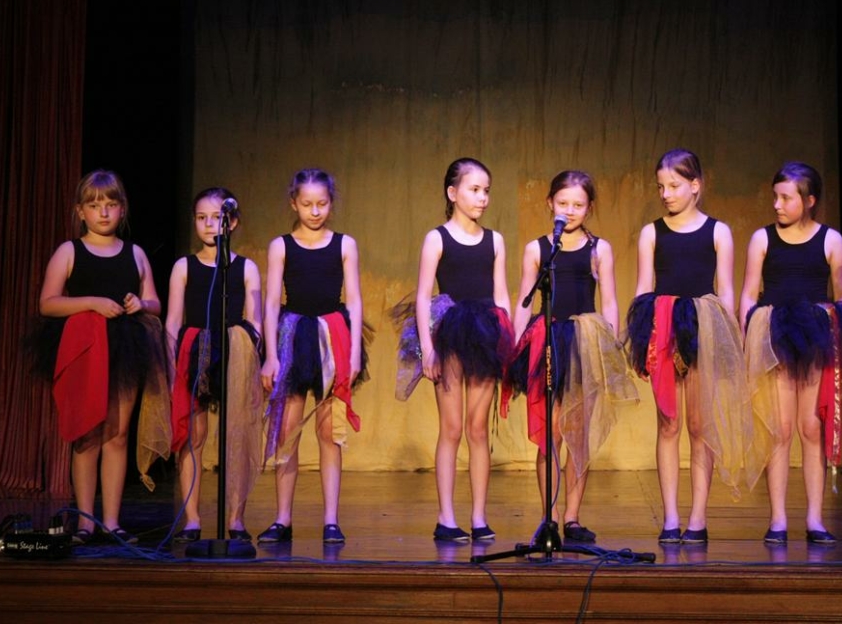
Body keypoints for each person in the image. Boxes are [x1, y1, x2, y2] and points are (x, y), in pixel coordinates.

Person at [739, 162, 842, 546]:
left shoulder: (830, 239)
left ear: (809, 200)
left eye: (786, 198)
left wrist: (841, 329)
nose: (777, 204)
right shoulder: (763, 238)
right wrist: (749, 331)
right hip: (777, 335)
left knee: (811, 427)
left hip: (816, 336)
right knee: (780, 429)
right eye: (775, 197)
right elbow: (749, 293)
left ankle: (815, 518)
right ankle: (778, 518)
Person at [33, 169, 170, 545]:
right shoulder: (69, 251)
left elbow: (155, 303)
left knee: (118, 434)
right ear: (81, 211)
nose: (104, 212)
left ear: (122, 209)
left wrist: (141, 303)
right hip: (84, 348)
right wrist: (92, 302)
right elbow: (48, 303)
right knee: (87, 433)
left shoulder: (135, 253)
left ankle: (111, 520)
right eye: (95, 206)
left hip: (125, 348)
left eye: (111, 204)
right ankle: (85, 522)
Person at [506, 170, 637, 545]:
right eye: (563, 203)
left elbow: (609, 300)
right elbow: (524, 300)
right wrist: (515, 344)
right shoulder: (537, 249)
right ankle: (547, 517)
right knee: (550, 434)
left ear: (589, 207)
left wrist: (610, 345)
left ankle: (573, 517)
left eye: (578, 204)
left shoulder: (599, 249)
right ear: (550, 203)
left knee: (578, 434)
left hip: (584, 341)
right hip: (547, 340)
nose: (570, 210)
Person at [625, 149, 749, 545]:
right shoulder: (652, 233)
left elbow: (725, 290)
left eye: (674, 186)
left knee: (700, 425)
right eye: (661, 187)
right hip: (663, 327)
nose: (666, 194)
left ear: (695, 186)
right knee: (668, 423)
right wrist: (642, 336)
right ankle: (670, 517)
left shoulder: (718, 231)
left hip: (703, 326)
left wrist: (728, 339)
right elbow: (644, 288)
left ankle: (698, 517)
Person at [394, 157, 513, 542]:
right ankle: (446, 517)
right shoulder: (437, 238)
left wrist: (506, 339)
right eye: (474, 190)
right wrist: (428, 349)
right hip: (449, 333)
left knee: (478, 429)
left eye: (486, 191)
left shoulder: (495, 240)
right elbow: (423, 296)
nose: (482, 198)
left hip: (485, 333)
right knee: (452, 427)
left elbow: (501, 294)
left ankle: (479, 516)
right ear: (452, 193)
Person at [258, 168, 367, 544]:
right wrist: (270, 355)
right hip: (293, 337)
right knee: (287, 430)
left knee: (328, 431)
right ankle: (282, 518)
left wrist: (354, 353)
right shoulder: (281, 246)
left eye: (322, 204)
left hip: (331, 337)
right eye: (307, 204)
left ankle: (331, 520)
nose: (315, 211)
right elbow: (271, 302)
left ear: (331, 203)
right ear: (294, 203)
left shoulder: (344, 245)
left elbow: (354, 300)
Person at [165, 188, 264, 543]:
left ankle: (235, 518)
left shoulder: (246, 267)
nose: (209, 224)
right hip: (196, 351)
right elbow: (173, 321)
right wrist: (171, 366)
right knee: (195, 435)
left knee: (236, 435)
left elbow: (256, 320)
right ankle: (192, 518)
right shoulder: (184, 266)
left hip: (234, 351)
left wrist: (252, 358)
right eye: (201, 218)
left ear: (232, 222)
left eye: (217, 218)